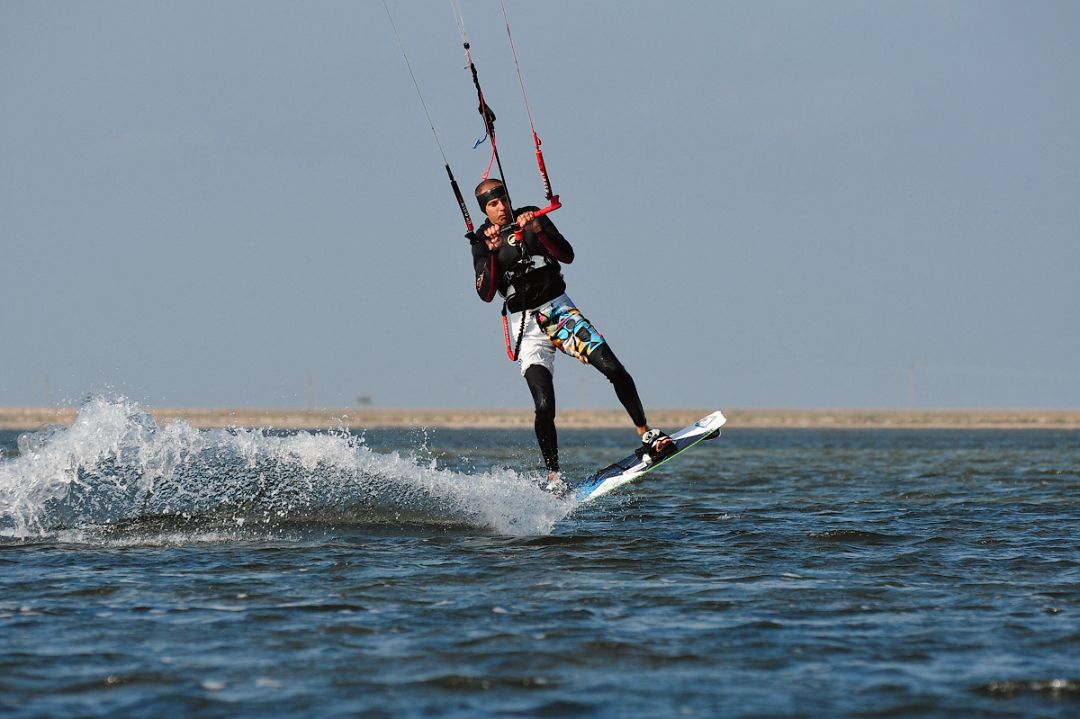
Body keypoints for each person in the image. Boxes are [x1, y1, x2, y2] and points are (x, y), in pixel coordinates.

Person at [469, 178, 674, 493]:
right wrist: (494, 253)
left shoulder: (533, 215)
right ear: (484, 209)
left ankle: (647, 433)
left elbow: (567, 255)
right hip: (527, 327)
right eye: (493, 204)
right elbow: (485, 293)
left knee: (613, 368)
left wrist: (537, 230)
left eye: (503, 200)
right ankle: (554, 478)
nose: (501, 207)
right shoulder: (483, 241)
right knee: (543, 405)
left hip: (560, 313)